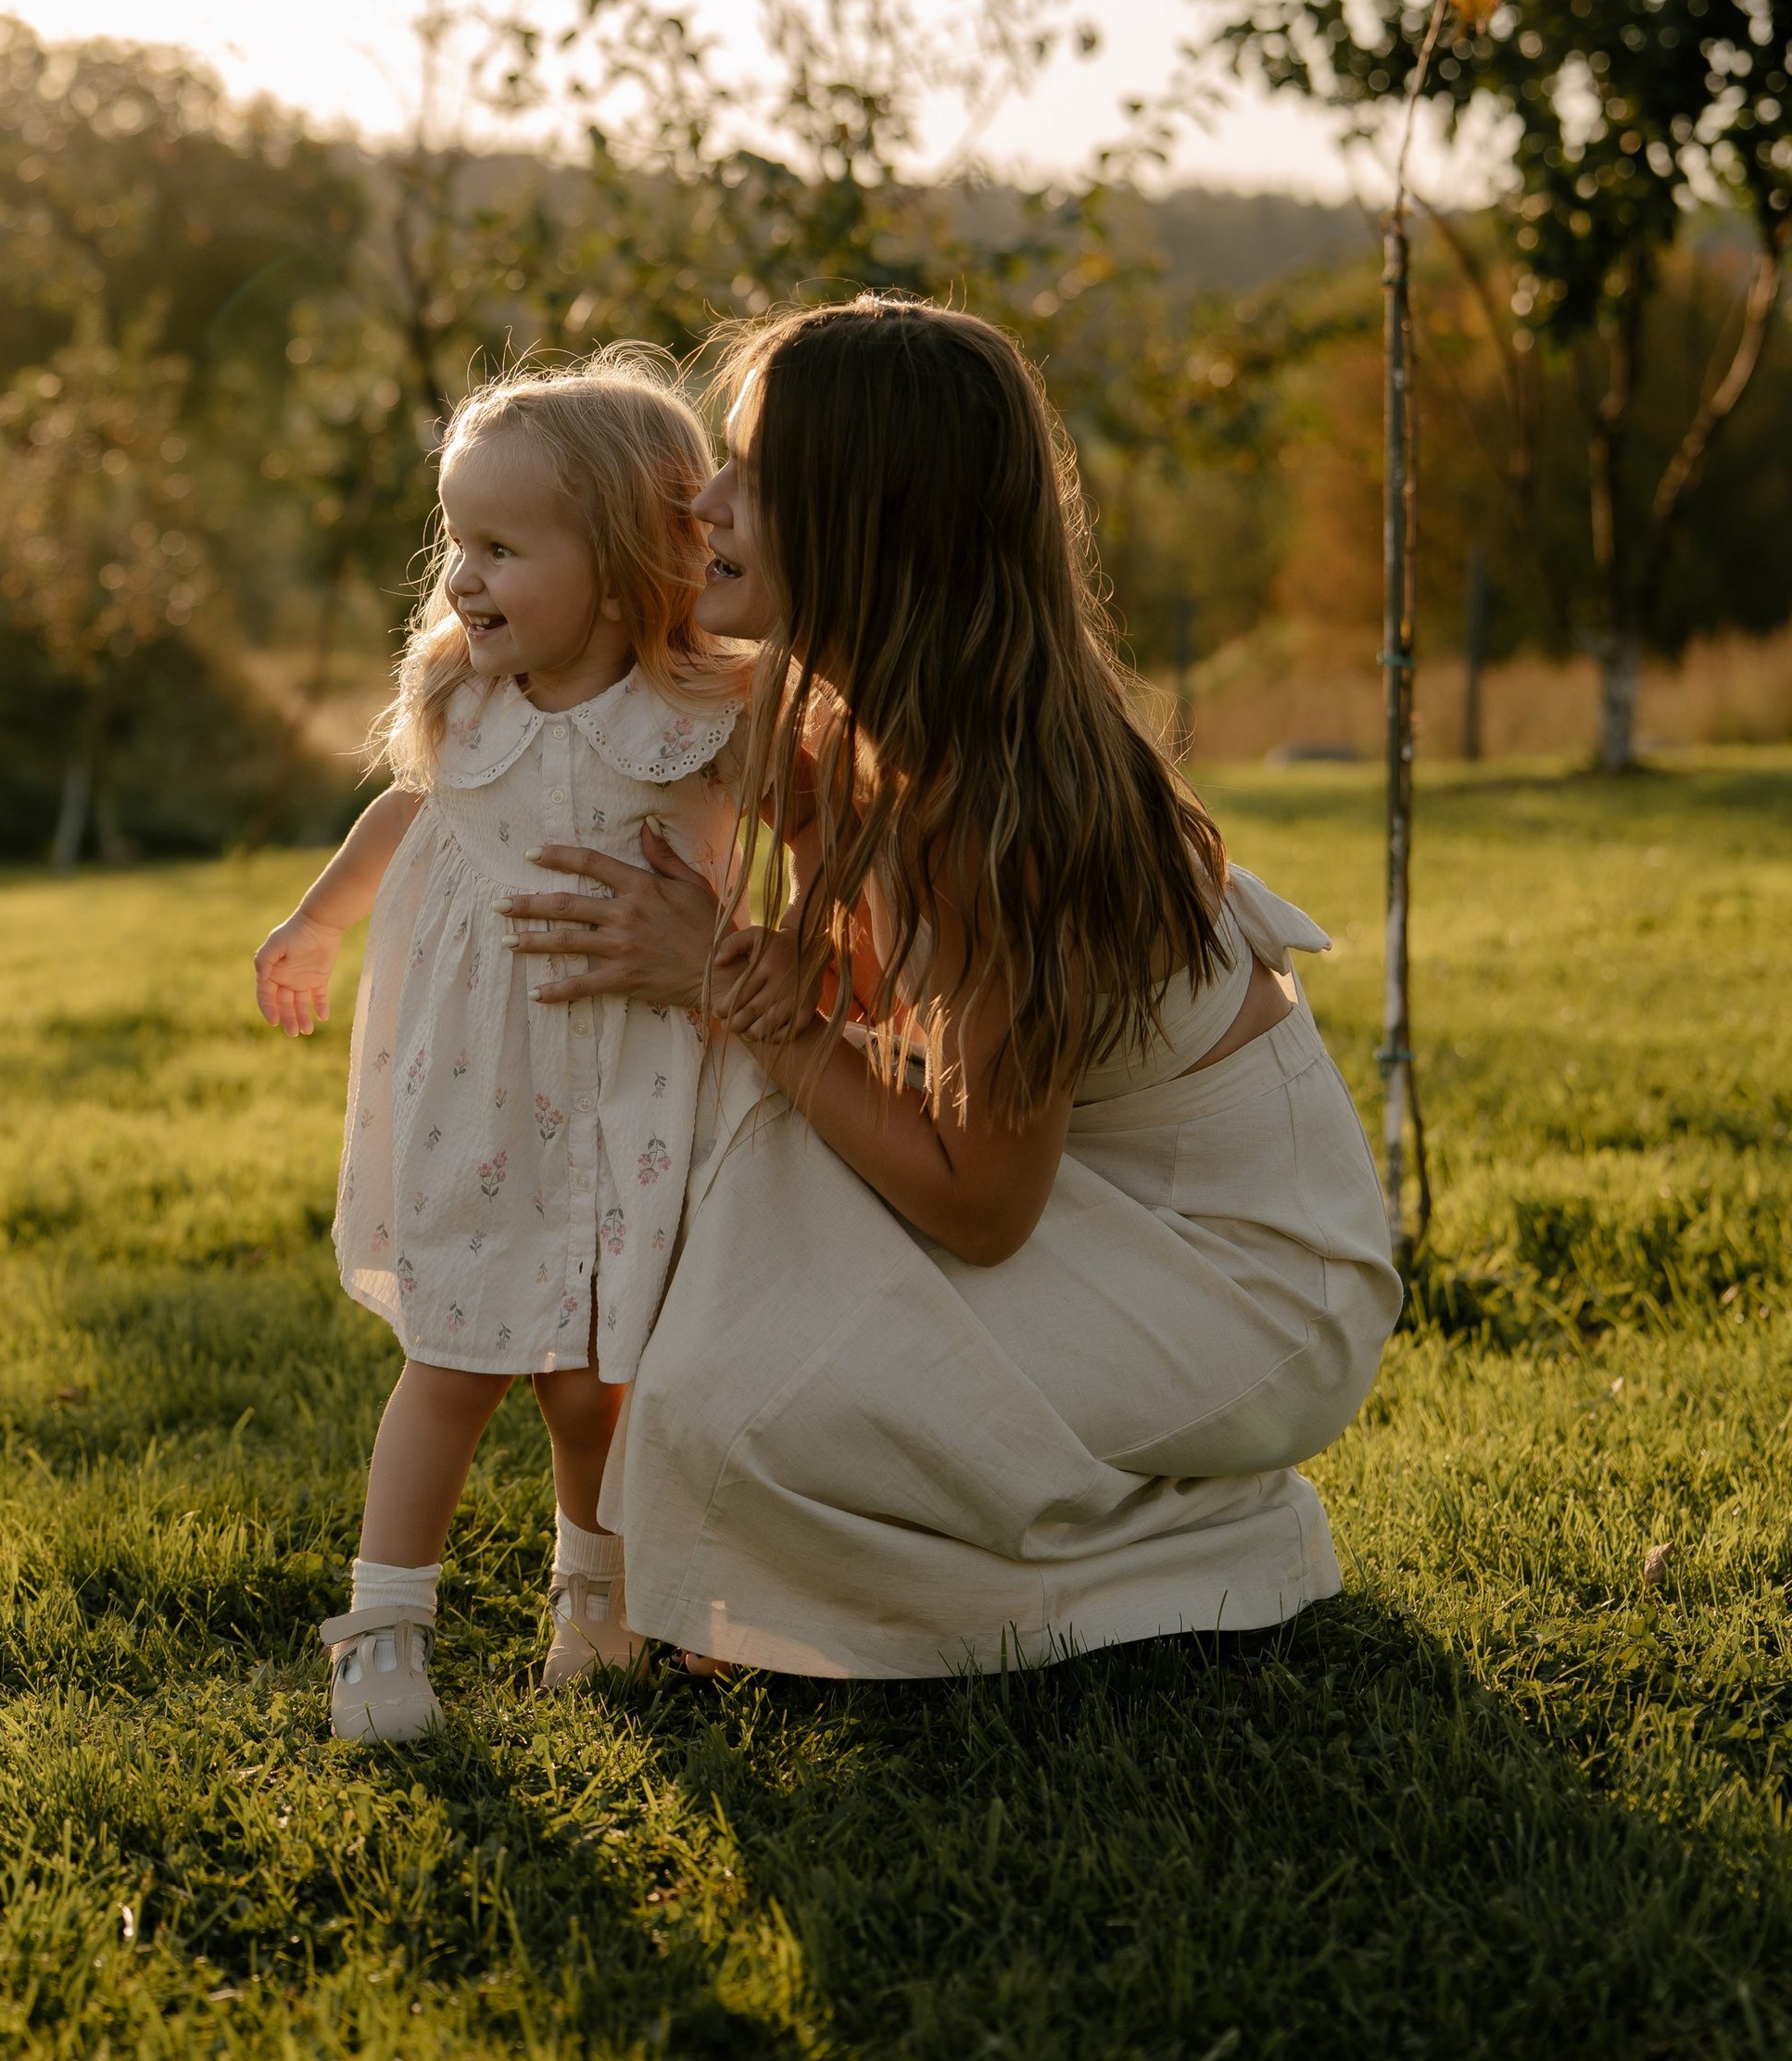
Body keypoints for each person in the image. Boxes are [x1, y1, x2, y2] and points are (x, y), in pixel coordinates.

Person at [498, 297, 1402, 1680]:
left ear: (874, 519)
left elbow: (981, 1208)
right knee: (730, 1225)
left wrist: (732, 983)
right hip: (1103, 1204)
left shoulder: (1004, 816)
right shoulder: (851, 719)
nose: (706, 500)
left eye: (755, 474)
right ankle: (914, 1540)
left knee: (747, 1411)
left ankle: (1192, 1540)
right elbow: (870, 1011)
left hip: (1249, 1289)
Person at [253, 350, 747, 1739]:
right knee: (456, 1360)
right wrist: (315, 921)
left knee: (598, 1380)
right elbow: (407, 816)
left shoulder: (702, 716)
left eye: (503, 549)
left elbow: (818, 830)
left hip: (639, 1087)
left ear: (627, 564)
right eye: (457, 542)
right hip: (481, 1094)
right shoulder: (468, 705)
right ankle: (383, 1631)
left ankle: (598, 1599)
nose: (462, 578)